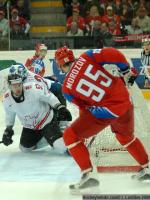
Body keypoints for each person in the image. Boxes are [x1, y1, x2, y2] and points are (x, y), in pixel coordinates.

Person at [54, 46, 150, 194]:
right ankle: (146, 168)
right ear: (73, 57)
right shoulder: (87, 56)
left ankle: (88, 175)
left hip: (106, 111)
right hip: (125, 101)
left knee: (70, 136)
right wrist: (125, 70)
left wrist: (84, 133)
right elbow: (113, 53)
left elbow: (84, 109)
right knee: (125, 137)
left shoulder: (66, 89)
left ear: (59, 65)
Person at [1, 64, 72, 154]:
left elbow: (49, 97)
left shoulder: (33, 87)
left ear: (22, 82)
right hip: (31, 126)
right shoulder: (7, 98)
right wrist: (8, 130)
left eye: (19, 84)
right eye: (14, 85)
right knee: (24, 148)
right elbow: (9, 114)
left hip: (46, 119)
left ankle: (63, 133)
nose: (17, 87)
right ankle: (51, 137)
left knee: (60, 145)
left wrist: (60, 107)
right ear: (9, 85)